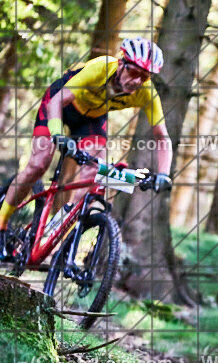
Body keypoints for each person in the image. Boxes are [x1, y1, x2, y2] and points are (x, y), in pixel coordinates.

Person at [0, 38, 173, 251]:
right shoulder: (100, 68)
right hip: (60, 104)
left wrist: (163, 174)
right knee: (38, 164)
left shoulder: (146, 92)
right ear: (121, 64)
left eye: (145, 76)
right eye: (135, 72)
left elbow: (162, 137)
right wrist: (57, 135)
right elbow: (58, 100)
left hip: (91, 120)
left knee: (92, 174)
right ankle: (2, 223)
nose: (138, 81)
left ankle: (52, 239)